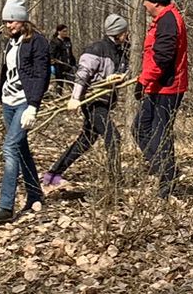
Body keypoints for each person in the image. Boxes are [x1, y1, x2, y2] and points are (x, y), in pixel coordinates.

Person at [0, 0, 49, 223]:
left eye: (12, 21)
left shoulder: (38, 42)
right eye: (5, 21)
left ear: (22, 20)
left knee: (10, 147)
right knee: (20, 149)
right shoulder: (11, 43)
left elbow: (42, 75)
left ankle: (5, 206)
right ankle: (35, 194)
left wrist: (33, 106)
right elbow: (4, 75)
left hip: (24, 103)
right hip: (8, 103)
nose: (8, 25)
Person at [44, 15, 131, 186]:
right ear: (117, 32)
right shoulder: (96, 49)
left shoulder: (121, 51)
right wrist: (75, 98)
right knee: (113, 137)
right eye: (124, 32)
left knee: (86, 140)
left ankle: (52, 175)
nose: (127, 34)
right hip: (93, 102)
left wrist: (118, 78)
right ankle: (115, 184)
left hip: (105, 101)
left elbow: (122, 71)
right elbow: (82, 74)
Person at [135, 0, 189, 197]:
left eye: (146, 1)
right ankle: (167, 171)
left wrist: (144, 80)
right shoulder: (162, 19)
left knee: (159, 135)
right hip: (157, 86)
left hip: (168, 87)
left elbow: (163, 57)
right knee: (139, 128)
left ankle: (167, 183)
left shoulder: (168, 20)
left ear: (155, 2)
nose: (144, 5)